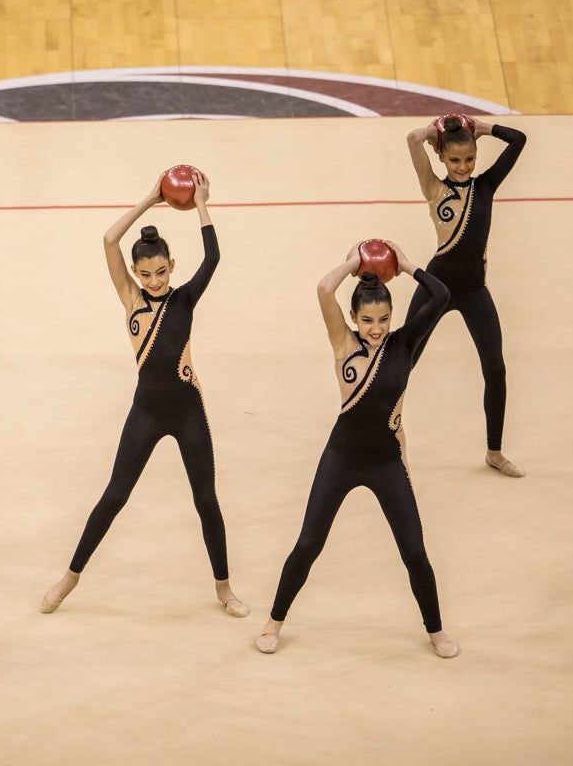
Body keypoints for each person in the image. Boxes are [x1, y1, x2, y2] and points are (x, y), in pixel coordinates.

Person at [40, 172, 247, 618]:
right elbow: (109, 239)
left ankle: (224, 588)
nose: (154, 280)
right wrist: (150, 199)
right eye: (146, 274)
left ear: (172, 265)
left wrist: (202, 203)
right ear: (136, 273)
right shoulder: (131, 300)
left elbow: (212, 257)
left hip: (189, 410)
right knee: (114, 495)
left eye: (161, 271)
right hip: (147, 412)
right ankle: (69, 578)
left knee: (206, 500)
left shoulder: (185, 299)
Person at [256, 242, 459, 658]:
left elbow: (441, 295)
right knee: (309, 543)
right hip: (342, 458)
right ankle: (274, 621)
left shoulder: (405, 344)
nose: (376, 327)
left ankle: (436, 630)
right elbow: (323, 289)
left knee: (415, 552)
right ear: (353, 318)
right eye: (367, 320)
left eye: (384, 319)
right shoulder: (343, 344)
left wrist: (406, 266)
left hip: (387, 462)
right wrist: (355, 263)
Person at [405, 114, 528, 477]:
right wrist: (436, 134)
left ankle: (495, 451)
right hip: (437, 287)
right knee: (401, 363)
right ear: (442, 158)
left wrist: (482, 127)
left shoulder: (486, 186)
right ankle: (382, 439)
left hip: (475, 290)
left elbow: (519, 140)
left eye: (470, 159)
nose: (463, 167)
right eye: (455, 160)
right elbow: (413, 137)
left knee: (495, 368)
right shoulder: (434, 189)